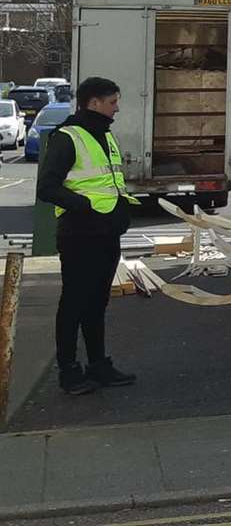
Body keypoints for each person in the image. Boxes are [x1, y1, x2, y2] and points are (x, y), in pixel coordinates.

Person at [35, 76, 137, 396]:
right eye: (112, 102)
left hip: (106, 233)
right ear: (93, 102)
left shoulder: (105, 136)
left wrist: (120, 210)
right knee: (74, 303)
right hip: (80, 234)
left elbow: (110, 182)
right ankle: (69, 371)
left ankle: (98, 365)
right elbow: (47, 188)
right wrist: (84, 206)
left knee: (97, 303)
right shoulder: (68, 137)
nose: (116, 108)